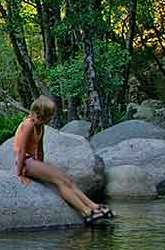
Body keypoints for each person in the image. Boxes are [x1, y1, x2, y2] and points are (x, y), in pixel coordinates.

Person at [14, 96, 112, 224]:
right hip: (25, 162)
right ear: (42, 114)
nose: (52, 118)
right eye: (50, 115)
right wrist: (20, 174)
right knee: (59, 180)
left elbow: (40, 150)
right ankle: (86, 212)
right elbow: (21, 150)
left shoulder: (40, 126)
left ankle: (93, 206)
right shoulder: (28, 125)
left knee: (67, 179)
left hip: (33, 162)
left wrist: (43, 167)